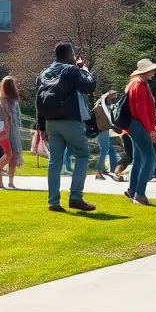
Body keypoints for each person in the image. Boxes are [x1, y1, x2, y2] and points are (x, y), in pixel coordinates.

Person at [34, 43, 98, 213]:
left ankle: (53, 201)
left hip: (50, 122)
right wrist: (84, 69)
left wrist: (41, 126)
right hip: (70, 119)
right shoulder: (71, 70)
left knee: (54, 161)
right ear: (70, 54)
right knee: (82, 155)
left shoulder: (44, 73)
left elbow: (38, 100)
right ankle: (76, 197)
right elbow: (89, 87)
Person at [124, 59, 156, 205]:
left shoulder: (135, 83)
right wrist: (150, 129)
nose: (154, 72)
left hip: (135, 124)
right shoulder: (139, 84)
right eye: (152, 70)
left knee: (139, 159)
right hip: (139, 124)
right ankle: (140, 193)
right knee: (151, 158)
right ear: (146, 71)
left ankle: (133, 191)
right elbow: (141, 110)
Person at [94, 91, 122, 181]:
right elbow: (101, 122)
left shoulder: (106, 106)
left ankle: (112, 170)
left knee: (111, 151)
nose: (115, 96)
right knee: (104, 151)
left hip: (105, 131)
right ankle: (98, 172)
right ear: (108, 96)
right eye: (114, 95)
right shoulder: (100, 107)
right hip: (102, 131)